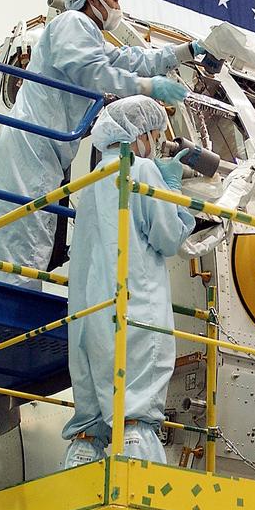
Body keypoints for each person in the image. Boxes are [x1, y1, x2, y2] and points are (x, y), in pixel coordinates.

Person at [0, 0, 201, 288]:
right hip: (33, 146)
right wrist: (147, 88)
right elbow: (90, 71)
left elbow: (129, 59)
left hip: (40, 148)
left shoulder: (88, 34)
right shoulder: (72, 22)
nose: (119, 7)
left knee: (6, 239)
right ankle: (9, 323)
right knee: (24, 244)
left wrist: (183, 51)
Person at [60, 95, 194, 466]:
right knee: (134, 410)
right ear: (138, 134)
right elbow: (167, 237)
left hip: (89, 314)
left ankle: (79, 471)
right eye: (154, 134)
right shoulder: (142, 170)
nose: (155, 143)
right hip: (134, 306)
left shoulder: (93, 179)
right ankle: (139, 484)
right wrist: (173, 192)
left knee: (91, 418)